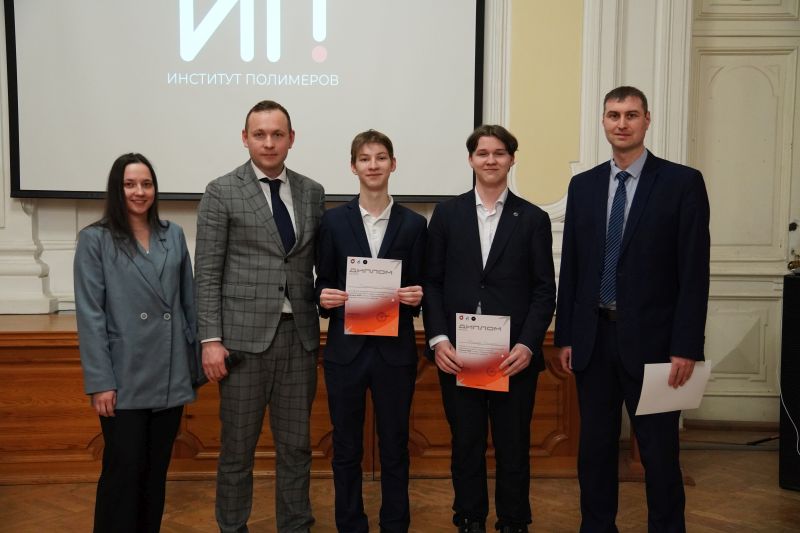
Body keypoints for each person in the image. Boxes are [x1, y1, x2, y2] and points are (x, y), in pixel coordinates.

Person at [554, 86, 710, 532]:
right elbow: (574, 267)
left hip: (658, 346)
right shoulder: (583, 186)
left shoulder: (682, 183)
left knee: (659, 453)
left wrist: (686, 346)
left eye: (631, 114)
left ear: (647, 120)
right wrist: (566, 336)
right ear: (603, 121)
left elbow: (694, 272)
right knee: (595, 450)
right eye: (613, 115)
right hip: (594, 340)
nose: (621, 123)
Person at [195, 100, 325, 533]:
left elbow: (320, 263)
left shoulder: (312, 192)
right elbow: (207, 272)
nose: (269, 142)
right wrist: (210, 340)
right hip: (241, 344)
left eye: (277, 134)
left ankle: (296, 526)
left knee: (297, 448)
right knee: (237, 450)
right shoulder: (221, 190)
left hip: (299, 340)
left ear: (291, 138)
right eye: (259, 134)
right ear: (245, 138)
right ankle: (232, 526)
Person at [423, 125, 556, 533]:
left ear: (512, 159)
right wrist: (438, 339)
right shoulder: (447, 215)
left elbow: (544, 290)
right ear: (471, 160)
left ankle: (514, 520)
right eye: (483, 153)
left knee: (513, 444)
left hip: (513, 356)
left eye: (499, 153)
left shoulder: (532, 218)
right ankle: (469, 517)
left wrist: (528, 345)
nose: (491, 160)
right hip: (459, 352)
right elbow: (432, 282)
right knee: (466, 443)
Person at [74, 152, 199, 533]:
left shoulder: (172, 234)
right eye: (130, 184)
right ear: (117, 188)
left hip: (169, 372)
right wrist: (100, 381)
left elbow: (188, 303)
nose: (139, 191)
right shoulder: (95, 239)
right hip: (122, 375)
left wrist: (193, 366)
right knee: (122, 472)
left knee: (155, 473)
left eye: (146, 184)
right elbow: (90, 315)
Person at [315, 130, 427, 532]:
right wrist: (322, 297)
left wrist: (417, 295)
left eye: (381, 158)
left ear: (393, 164)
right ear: (353, 167)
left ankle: (395, 524)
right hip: (345, 352)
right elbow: (322, 281)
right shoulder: (332, 221)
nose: (373, 165)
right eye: (365, 159)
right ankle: (351, 524)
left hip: (395, 354)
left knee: (395, 446)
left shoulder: (415, 224)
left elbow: (424, 285)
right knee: (346, 448)